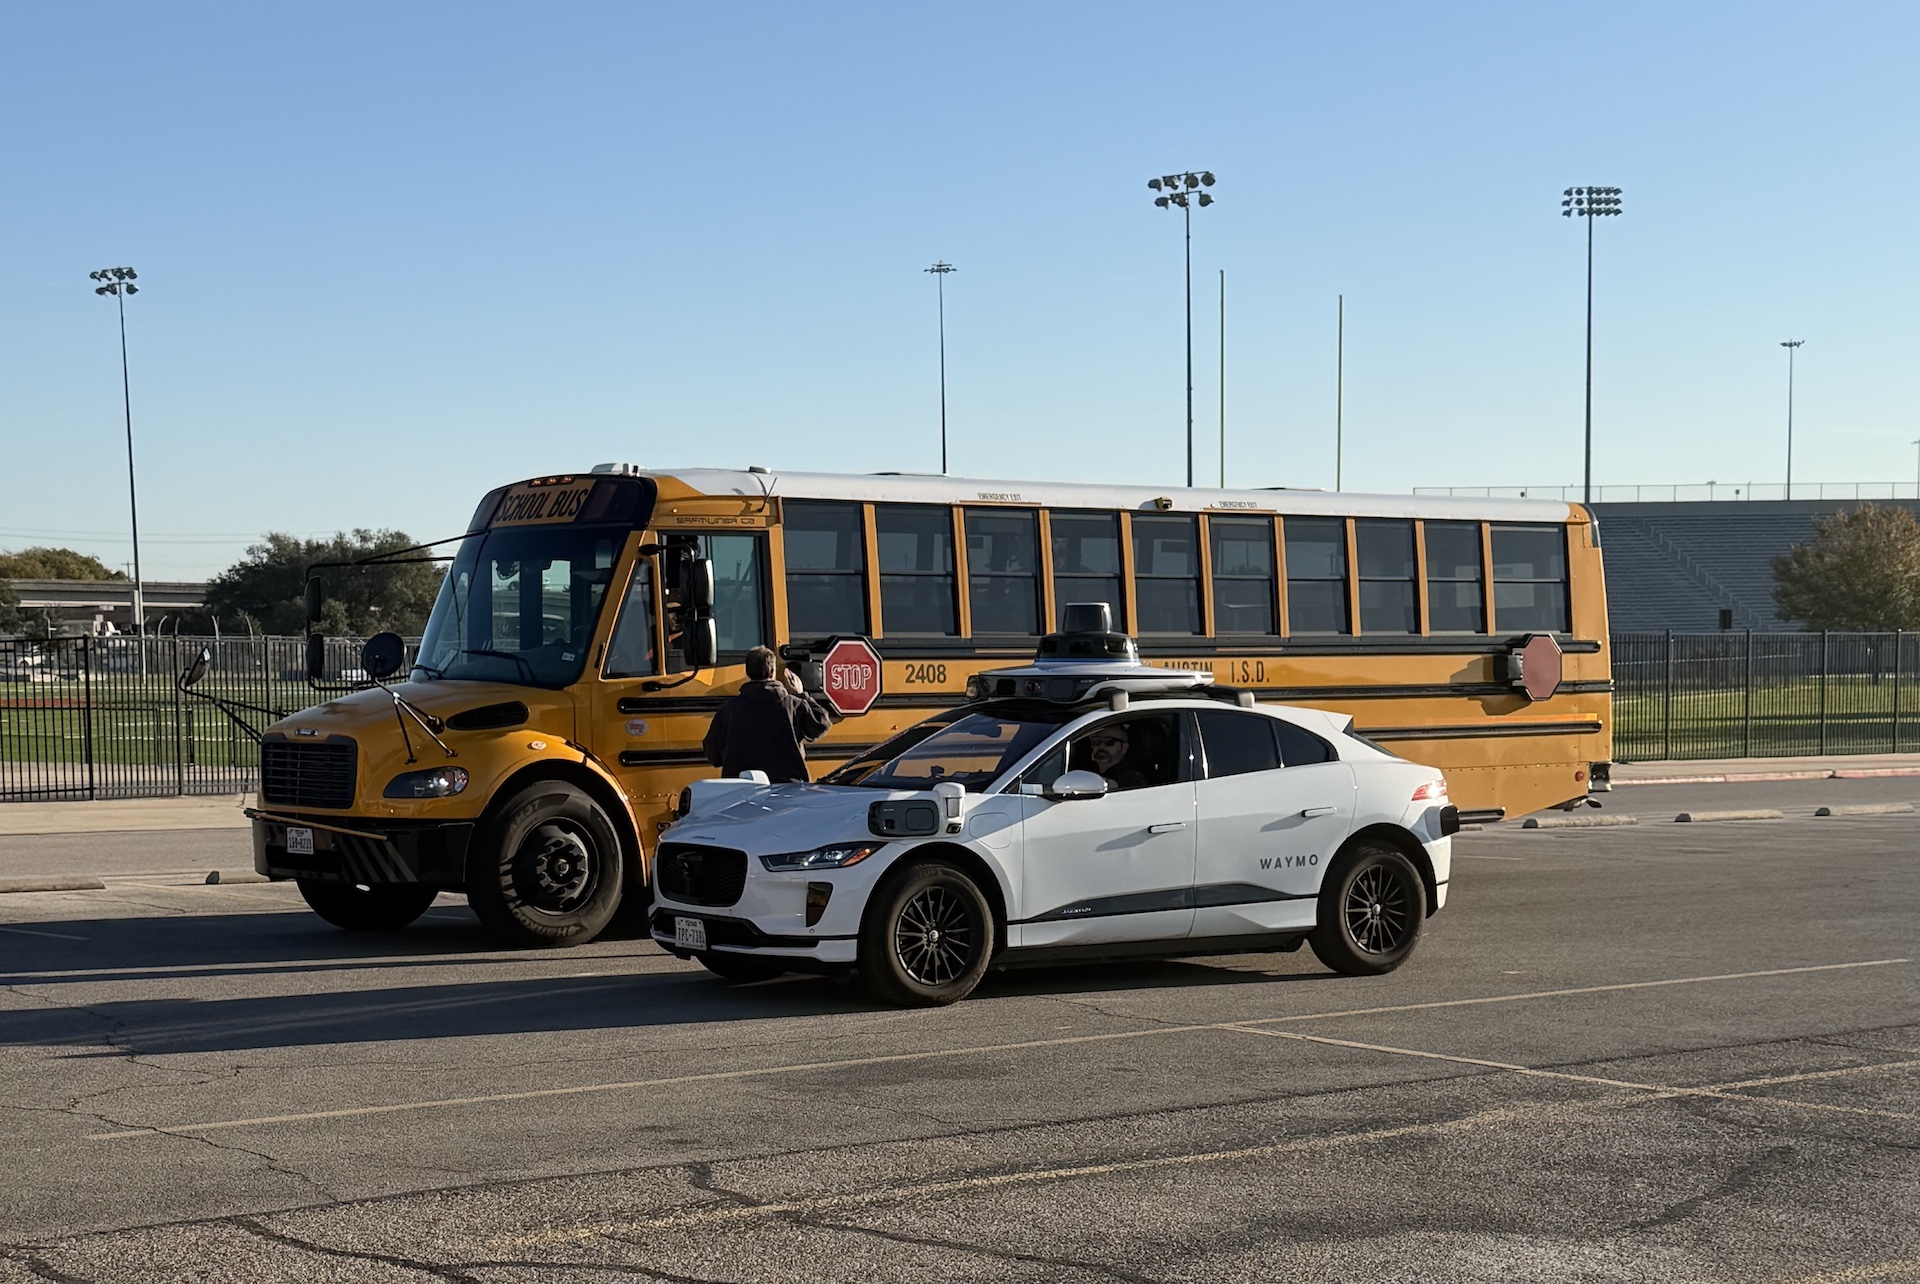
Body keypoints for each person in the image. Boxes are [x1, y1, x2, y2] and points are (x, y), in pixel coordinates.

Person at [702, 646, 833, 784]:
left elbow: (712, 751)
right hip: (787, 787)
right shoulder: (793, 705)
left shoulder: (729, 710)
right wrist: (801, 694)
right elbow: (822, 723)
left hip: (742, 787)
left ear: (748, 672)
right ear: (772, 671)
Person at [1076, 722, 1150, 792]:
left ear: (1124, 747)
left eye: (1109, 742)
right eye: (1096, 742)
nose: (1101, 747)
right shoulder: (1085, 773)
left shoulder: (1133, 779)